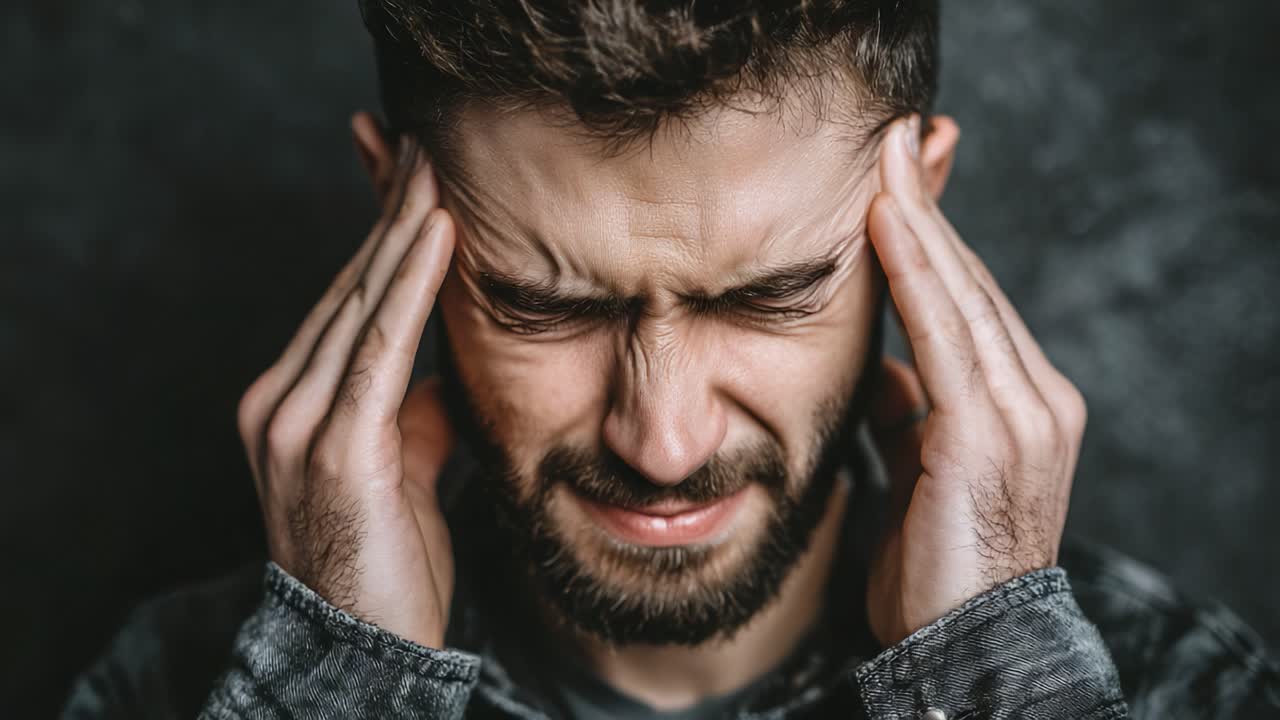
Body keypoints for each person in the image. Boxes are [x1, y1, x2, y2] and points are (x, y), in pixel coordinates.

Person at [62, 1, 1278, 718]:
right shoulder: (174, 683)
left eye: (771, 296)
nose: (662, 441)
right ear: (393, 207)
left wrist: (994, 680)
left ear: (921, 204)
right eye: (545, 305)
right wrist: (334, 685)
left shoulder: (1178, 686)